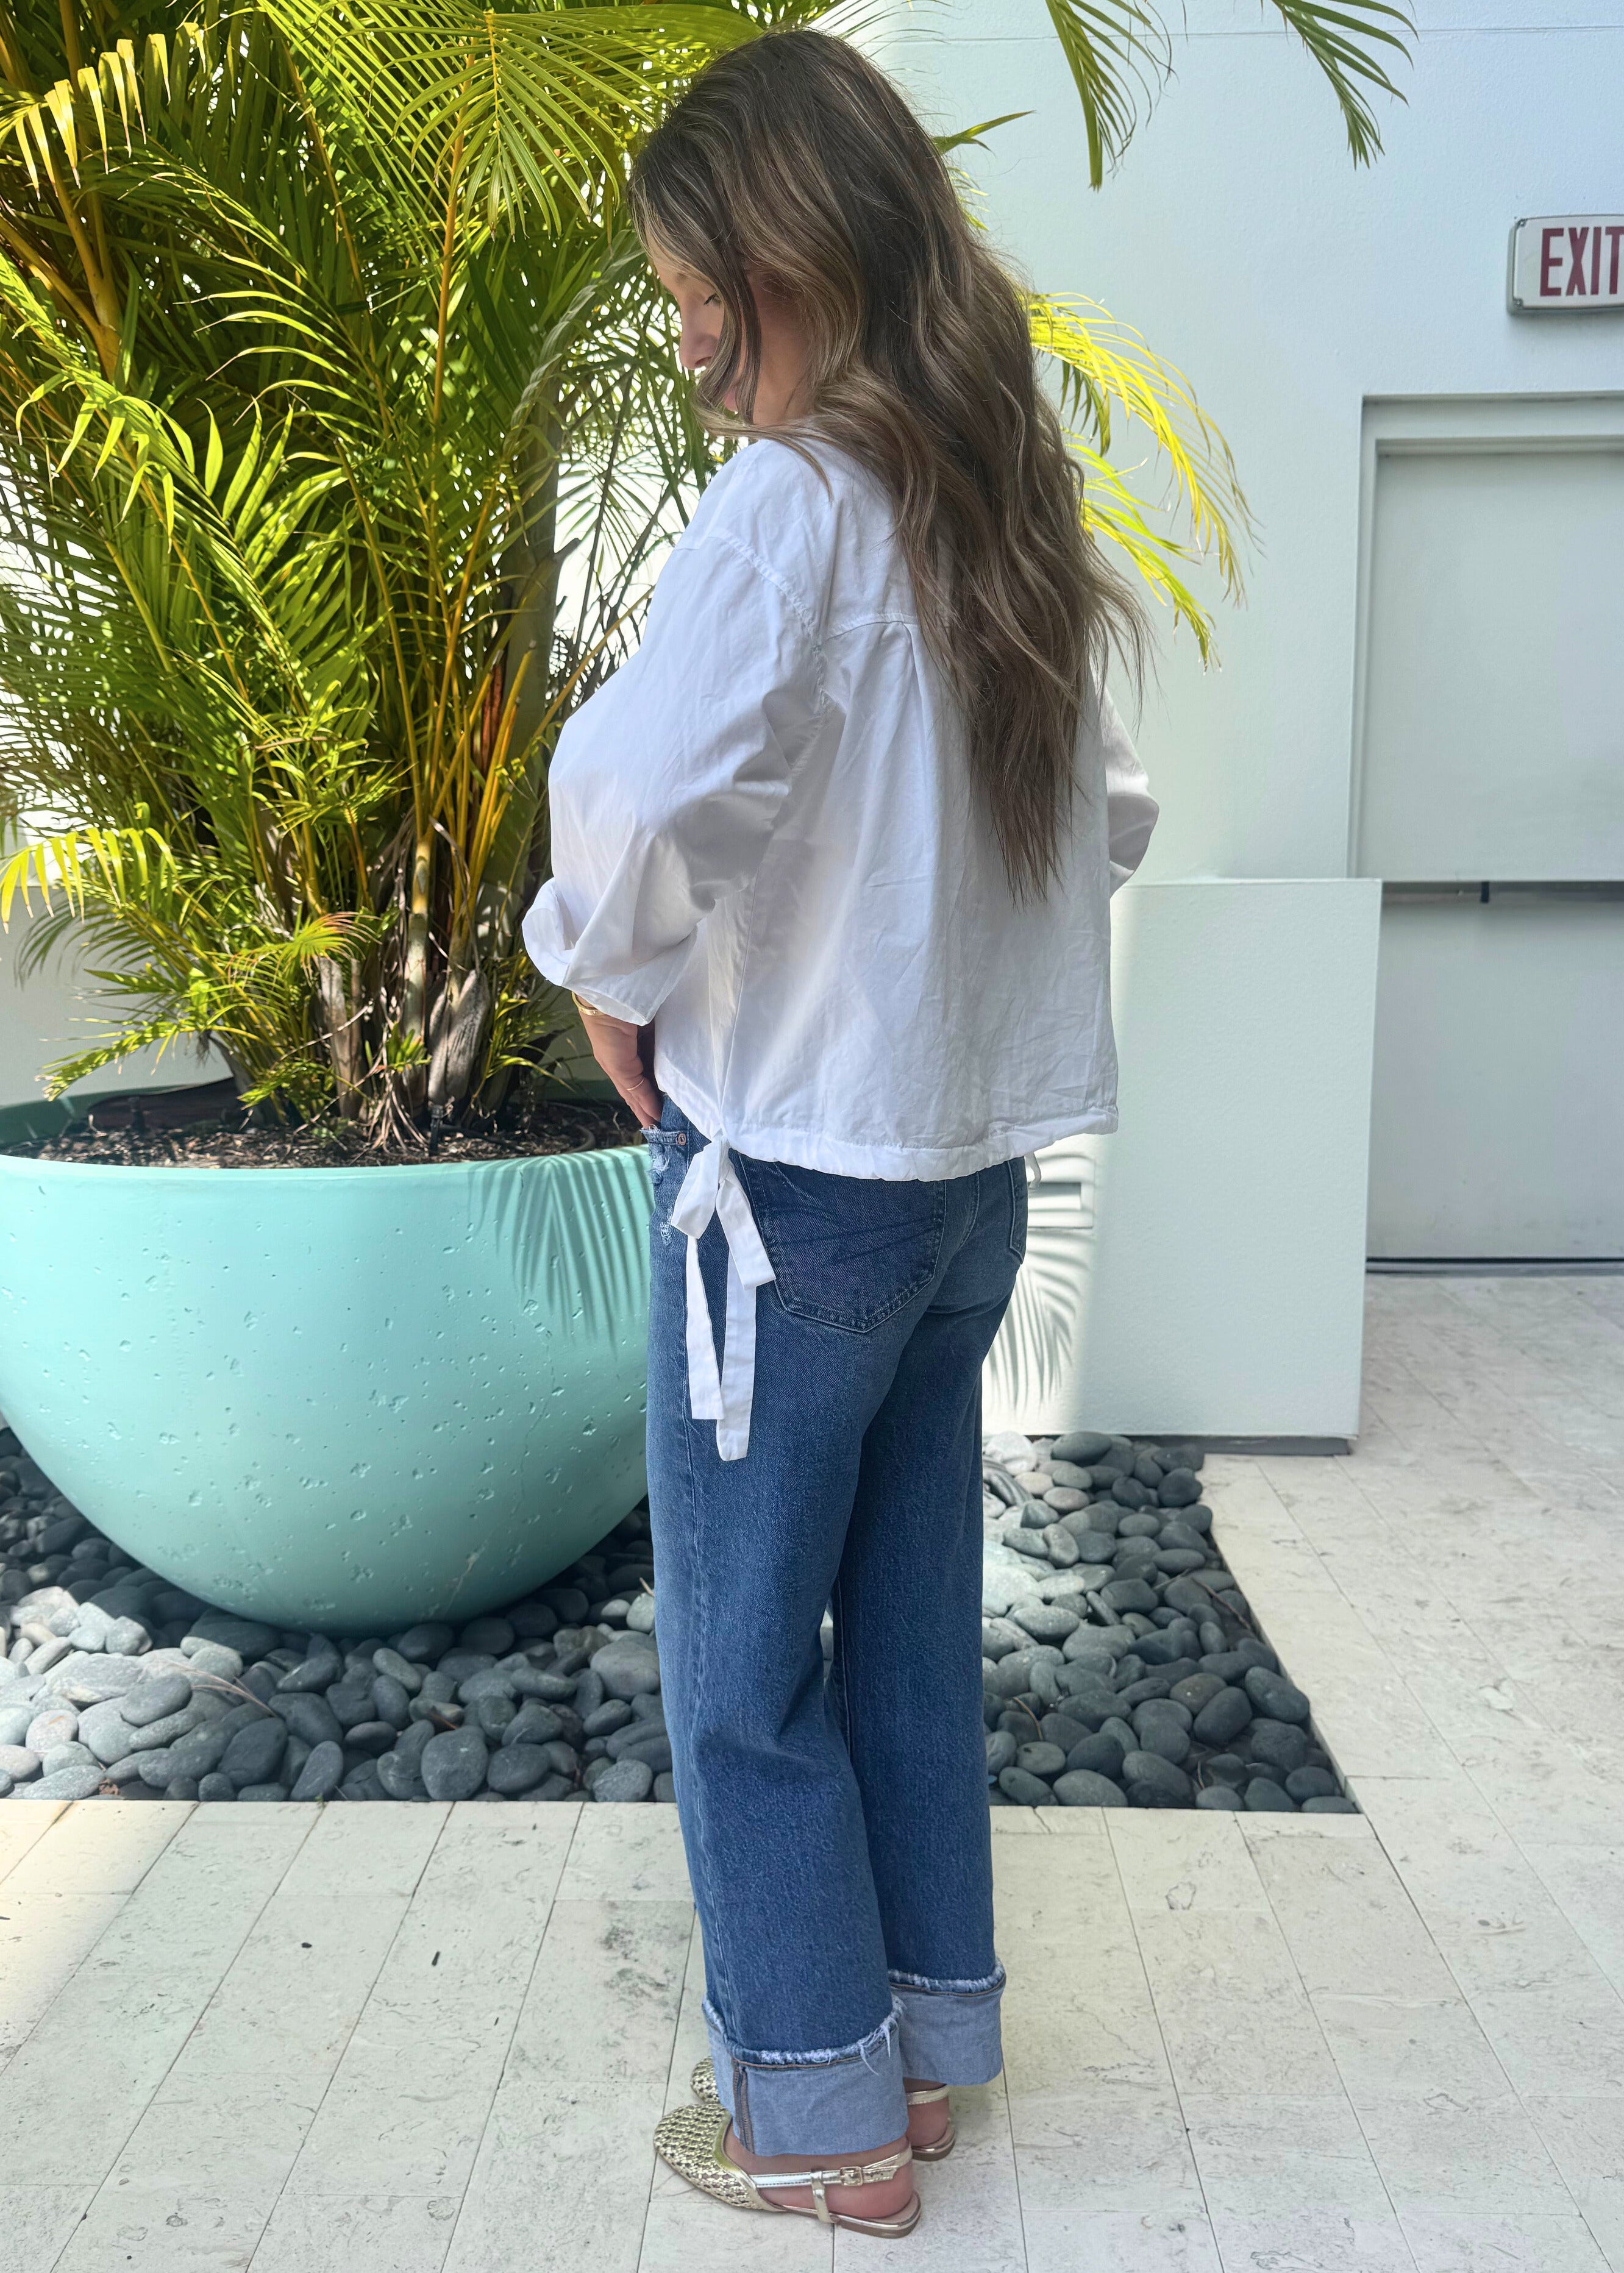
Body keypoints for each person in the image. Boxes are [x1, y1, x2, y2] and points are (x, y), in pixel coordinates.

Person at [522, 27, 1157, 2241]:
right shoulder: (1001, 483)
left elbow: (635, 793)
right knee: (895, 1625)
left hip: (793, 1188)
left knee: (737, 1667)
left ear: (801, 251)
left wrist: (604, 964)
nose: (692, 330)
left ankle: (820, 2124)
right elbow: (1094, 820)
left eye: (708, 284)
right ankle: (929, 2058)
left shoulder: (795, 503)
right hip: (964, 1187)